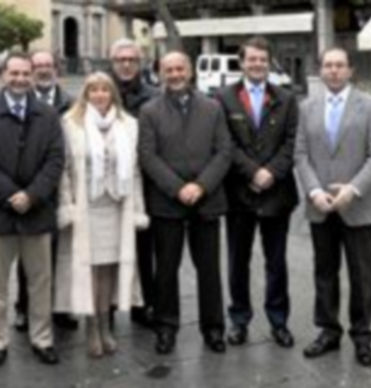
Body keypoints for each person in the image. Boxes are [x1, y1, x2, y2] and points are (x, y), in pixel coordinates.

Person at [0, 52, 65, 368]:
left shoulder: (48, 115)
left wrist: (32, 195)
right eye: (14, 73)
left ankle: (42, 338)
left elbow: (55, 160)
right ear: (3, 74)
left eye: (26, 73)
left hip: (37, 211)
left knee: (40, 282)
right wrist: (11, 195)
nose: (20, 79)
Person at [294, 47, 371, 367]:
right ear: (320, 70)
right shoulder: (306, 108)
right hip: (321, 206)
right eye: (328, 65)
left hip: (359, 207)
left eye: (339, 65)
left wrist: (354, 189)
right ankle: (328, 331)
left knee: (362, 276)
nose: (333, 70)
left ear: (350, 70)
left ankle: (362, 337)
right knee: (324, 272)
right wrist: (313, 191)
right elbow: (300, 155)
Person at [138, 51, 232, 355]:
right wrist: (178, 188)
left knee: (209, 270)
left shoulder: (213, 107)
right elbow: (147, 156)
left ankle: (213, 328)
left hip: (207, 201)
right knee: (166, 269)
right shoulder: (149, 111)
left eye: (180, 69)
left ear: (190, 71)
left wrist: (201, 186)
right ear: (160, 74)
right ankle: (166, 327)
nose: (175, 74)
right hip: (167, 203)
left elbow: (224, 151)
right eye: (169, 70)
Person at [53, 72, 149, 358]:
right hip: (86, 208)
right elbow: (63, 170)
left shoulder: (128, 124)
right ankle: (92, 327)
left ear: (112, 94)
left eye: (104, 90)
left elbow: (135, 171)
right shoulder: (71, 123)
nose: (99, 95)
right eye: (93, 90)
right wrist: (67, 205)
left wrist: (138, 209)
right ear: (85, 95)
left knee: (109, 271)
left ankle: (106, 325)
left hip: (116, 207)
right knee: (89, 272)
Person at [216, 37, 298, 348]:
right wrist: (252, 172)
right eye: (252, 59)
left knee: (276, 263)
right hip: (239, 194)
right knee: (238, 261)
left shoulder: (287, 98)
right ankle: (239, 320)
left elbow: (292, 142)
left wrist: (271, 173)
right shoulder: (223, 98)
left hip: (277, 193)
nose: (257, 64)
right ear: (241, 62)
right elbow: (225, 143)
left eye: (263, 59)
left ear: (269, 63)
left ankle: (279, 321)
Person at [13, 49, 78, 332]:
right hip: (29, 187)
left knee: (62, 252)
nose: (42, 70)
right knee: (28, 253)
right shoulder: (18, 101)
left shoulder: (71, 103)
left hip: (61, 187)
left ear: (56, 68)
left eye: (47, 65)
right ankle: (24, 307)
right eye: (37, 65)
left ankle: (60, 307)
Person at [108, 38, 160, 327]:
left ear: (140, 64)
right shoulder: (100, 92)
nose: (126, 65)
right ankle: (107, 307)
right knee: (107, 248)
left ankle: (145, 304)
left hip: (144, 183)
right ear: (112, 62)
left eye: (131, 60)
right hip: (107, 184)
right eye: (121, 60)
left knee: (144, 249)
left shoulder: (154, 97)